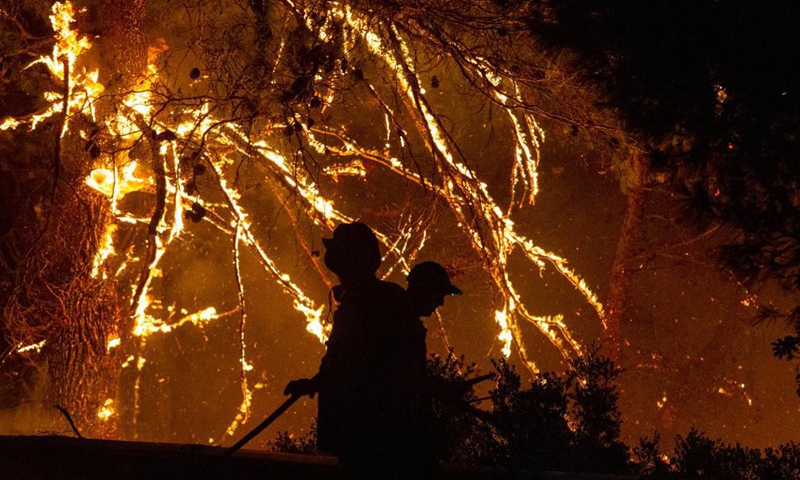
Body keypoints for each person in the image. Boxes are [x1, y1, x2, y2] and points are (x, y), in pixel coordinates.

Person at [284, 222, 417, 479]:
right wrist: (314, 383)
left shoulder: (375, 302)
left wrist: (319, 383)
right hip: (369, 426)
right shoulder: (372, 299)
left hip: (370, 427)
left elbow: (356, 363)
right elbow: (343, 360)